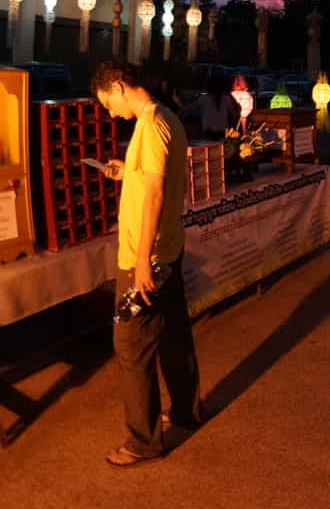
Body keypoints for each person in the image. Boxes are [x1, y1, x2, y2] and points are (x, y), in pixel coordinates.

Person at [92, 60, 202, 467]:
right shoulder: (164, 118)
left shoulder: (151, 124)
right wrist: (126, 174)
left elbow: (155, 194)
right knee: (173, 332)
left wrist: (140, 262)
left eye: (107, 102)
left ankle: (143, 441)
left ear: (120, 86)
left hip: (147, 257)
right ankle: (188, 410)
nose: (108, 111)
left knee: (131, 345)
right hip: (167, 251)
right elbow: (153, 178)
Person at [182, 74, 239, 140]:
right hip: (222, 133)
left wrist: (179, 103)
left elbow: (189, 108)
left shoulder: (205, 98)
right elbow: (235, 113)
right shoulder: (226, 99)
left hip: (208, 133)